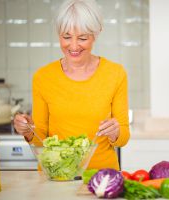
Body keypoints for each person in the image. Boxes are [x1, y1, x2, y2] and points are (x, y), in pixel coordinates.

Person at [13, 0, 130, 170]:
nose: (73, 46)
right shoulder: (43, 77)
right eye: (66, 37)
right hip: (56, 176)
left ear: (96, 34)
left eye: (82, 38)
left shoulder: (115, 73)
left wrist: (116, 132)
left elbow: (124, 136)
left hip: (101, 177)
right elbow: (39, 138)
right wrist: (27, 130)